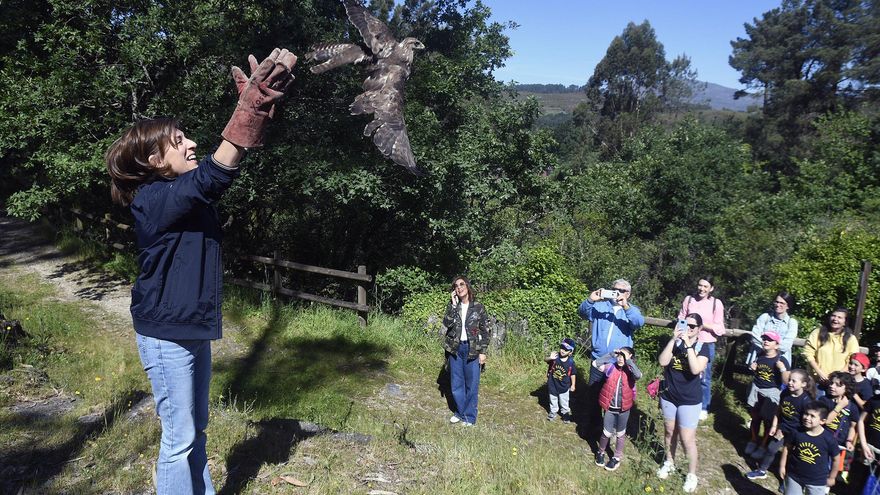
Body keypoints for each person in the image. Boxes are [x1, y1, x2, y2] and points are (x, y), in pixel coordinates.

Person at [105, 48, 296, 495]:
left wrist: (257, 118)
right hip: (167, 333)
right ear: (153, 161)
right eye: (178, 140)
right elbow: (212, 176)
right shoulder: (152, 201)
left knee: (197, 432)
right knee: (179, 438)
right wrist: (246, 111)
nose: (190, 142)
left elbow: (210, 180)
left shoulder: (179, 194)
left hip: (189, 328)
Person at [578, 279, 644, 428]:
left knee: (615, 398)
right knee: (594, 394)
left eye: (621, 291)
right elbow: (582, 312)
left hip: (618, 364)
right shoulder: (600, 306)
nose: (617, 293)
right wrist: (590, 299)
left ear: (628, 294)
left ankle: (611, 429)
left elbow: (638, 323)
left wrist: (625, 306)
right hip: (598, 359)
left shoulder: (631, 310)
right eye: (614, 289)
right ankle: (593, 427)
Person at [656, 313, 711, 494]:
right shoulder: (675, 343)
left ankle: (691, 474)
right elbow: (663, 361)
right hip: (669, 396)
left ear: (699, 329)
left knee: (687, 439)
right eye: (685, 324)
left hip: (689, 400)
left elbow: (695, 369)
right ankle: (669, 462)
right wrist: (673, 340)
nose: (688, 328)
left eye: (693, 326)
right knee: (670, 431)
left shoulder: (703, 347)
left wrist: (688, 344)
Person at [748, 369, 817, 481]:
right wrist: (775, 426)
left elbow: (807, 422)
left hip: (797, 431)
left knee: (792, 456)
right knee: (771, 448)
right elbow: (779, 410)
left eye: (794, 381)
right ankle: (762, 470)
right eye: (789, 380)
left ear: (803, 384)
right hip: (783, 426)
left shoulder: (806, 401)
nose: (790, 383)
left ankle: (788, 478)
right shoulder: (785, 393)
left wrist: (797, 436)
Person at [442, 276, 489, 426]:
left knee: (472, 384)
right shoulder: (453, 306)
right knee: (456, 383)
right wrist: (454, 305)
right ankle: (460, 412)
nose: (459, 287)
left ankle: (469, 416)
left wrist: (482, 351)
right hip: (455, 349)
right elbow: (447, 323)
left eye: (462, 284)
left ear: (467, 286)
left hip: (472, 349)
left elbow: (485, 330)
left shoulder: (478, 307)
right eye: (456, 286)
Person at [676, 277, 725, 421]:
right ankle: (682, 400)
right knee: (682, 371)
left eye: (706, 286)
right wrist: (682, 334)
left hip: (706, 343)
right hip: (688, 341)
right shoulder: (689, 300)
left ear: (711, 288)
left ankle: (703, 407)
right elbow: (681, 317)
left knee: (704, 377)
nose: (702, 289)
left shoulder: (716, 304)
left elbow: (720, 328)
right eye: (700, 285)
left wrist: (702, 325)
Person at [744, 331, 791, 460]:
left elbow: (787, 382)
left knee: (767, 420)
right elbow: (757, 371)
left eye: (769, 340)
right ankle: (753, 440)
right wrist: (753, 367)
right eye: (764, 339)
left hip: (771, 392)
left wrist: (782, 369)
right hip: (756, 389)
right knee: (754, 416)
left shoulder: (782, 360)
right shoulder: (760, 355)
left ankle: (763, 446)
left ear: (776, 345)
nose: (765, 341)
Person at [594, 346, 641, 471]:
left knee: (620, 433)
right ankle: (601, 452)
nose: (621, 358)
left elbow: (638, 375)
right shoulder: (611, 368)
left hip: (624, 409)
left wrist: (628, 361)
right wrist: (611, 354)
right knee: (607, 432)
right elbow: (595, 363)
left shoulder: (631, 372)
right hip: (610, 407)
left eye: (624, 356)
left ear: (630, 357)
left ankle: (616, 457)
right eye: (620, 356)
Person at [779, 401, 840, 495]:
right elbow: (787, 448)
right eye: (806, 414)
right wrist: (782, 466)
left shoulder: (829, 439)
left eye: (812, 416)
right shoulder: (796, 432)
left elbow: (836, 459)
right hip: (794, 476)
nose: (807, 418)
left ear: (822, 421)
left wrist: (832, 477)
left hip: (817, 481)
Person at [804, 307, 859, 396]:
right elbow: (808, 353)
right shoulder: (818, 333)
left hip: (839, 385)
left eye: (839, 317)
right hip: (818, 381)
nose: (835, 319)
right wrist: (820, 373)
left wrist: (836, 378)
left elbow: (852, 359)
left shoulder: (850, 339)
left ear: (845, 322)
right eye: (833, 316)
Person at [819, 372, 858, 483]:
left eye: (837, 385)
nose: (832, 386)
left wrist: (850, 441)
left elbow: (852, 427)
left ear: (847, 388)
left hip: (839, 443)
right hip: (823, 439)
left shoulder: (852, 407)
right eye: (831, 383)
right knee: (821, 464)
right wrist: (839, 406)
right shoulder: (824, 400)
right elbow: (826, 421)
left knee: (832, 466)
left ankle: (825, 487)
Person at [748, 291, 798, 365]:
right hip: (760, 359)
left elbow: (786, 345)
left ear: (788, 306)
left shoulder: (792, 323)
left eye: (782, 303)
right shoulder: (765, 317)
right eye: (776, 302)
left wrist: (768, 347)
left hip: (780, 362)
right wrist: (771, 347)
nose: (778, 305)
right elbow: (754, 337)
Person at [544, 338, 577, 422]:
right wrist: (550, 358)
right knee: (553, 399)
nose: (563, 351)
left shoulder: (570, 362)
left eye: (566, 350)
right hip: (553, 383)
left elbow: (573, 374)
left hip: (564, 385)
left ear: (570, 352)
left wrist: (573, 385)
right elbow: (545, 360)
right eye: (562, 347)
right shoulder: (555, 357)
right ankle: (553, 411)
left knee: (564, 400)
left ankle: (565, 413)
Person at [858, 389, 880, 464]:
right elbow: (861, 420)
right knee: (858, 474)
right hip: (868, 447)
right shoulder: (874, 400)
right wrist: (864, 445)